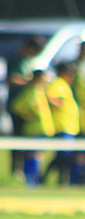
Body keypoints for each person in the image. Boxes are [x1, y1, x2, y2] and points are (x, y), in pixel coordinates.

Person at [5, 37, 43, 180]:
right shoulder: (15, 59)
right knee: (18, 138)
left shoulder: (28, 61)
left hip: (29, 108)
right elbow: (11, 80)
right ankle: (16, 169)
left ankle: (28, 171)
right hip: (17, 107)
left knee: (30, 139)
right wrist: (29, 82)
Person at [9, 69, 54, 185]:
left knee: (38, 155)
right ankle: (31, 181)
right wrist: (29, 115)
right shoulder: (30, 91)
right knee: (33, 155)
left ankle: (35, 179)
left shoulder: (40, 91)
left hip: (43, 129)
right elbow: (16, 107)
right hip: (34, 129)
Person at [42, 62, 81, 185]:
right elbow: (49, 97)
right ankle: (59, 180)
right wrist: (60, 104)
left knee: (64, 156)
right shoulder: (58, 84)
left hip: (68, 127)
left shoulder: (63, 85)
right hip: (62, 126)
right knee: (63, 156)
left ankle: (51, 179)